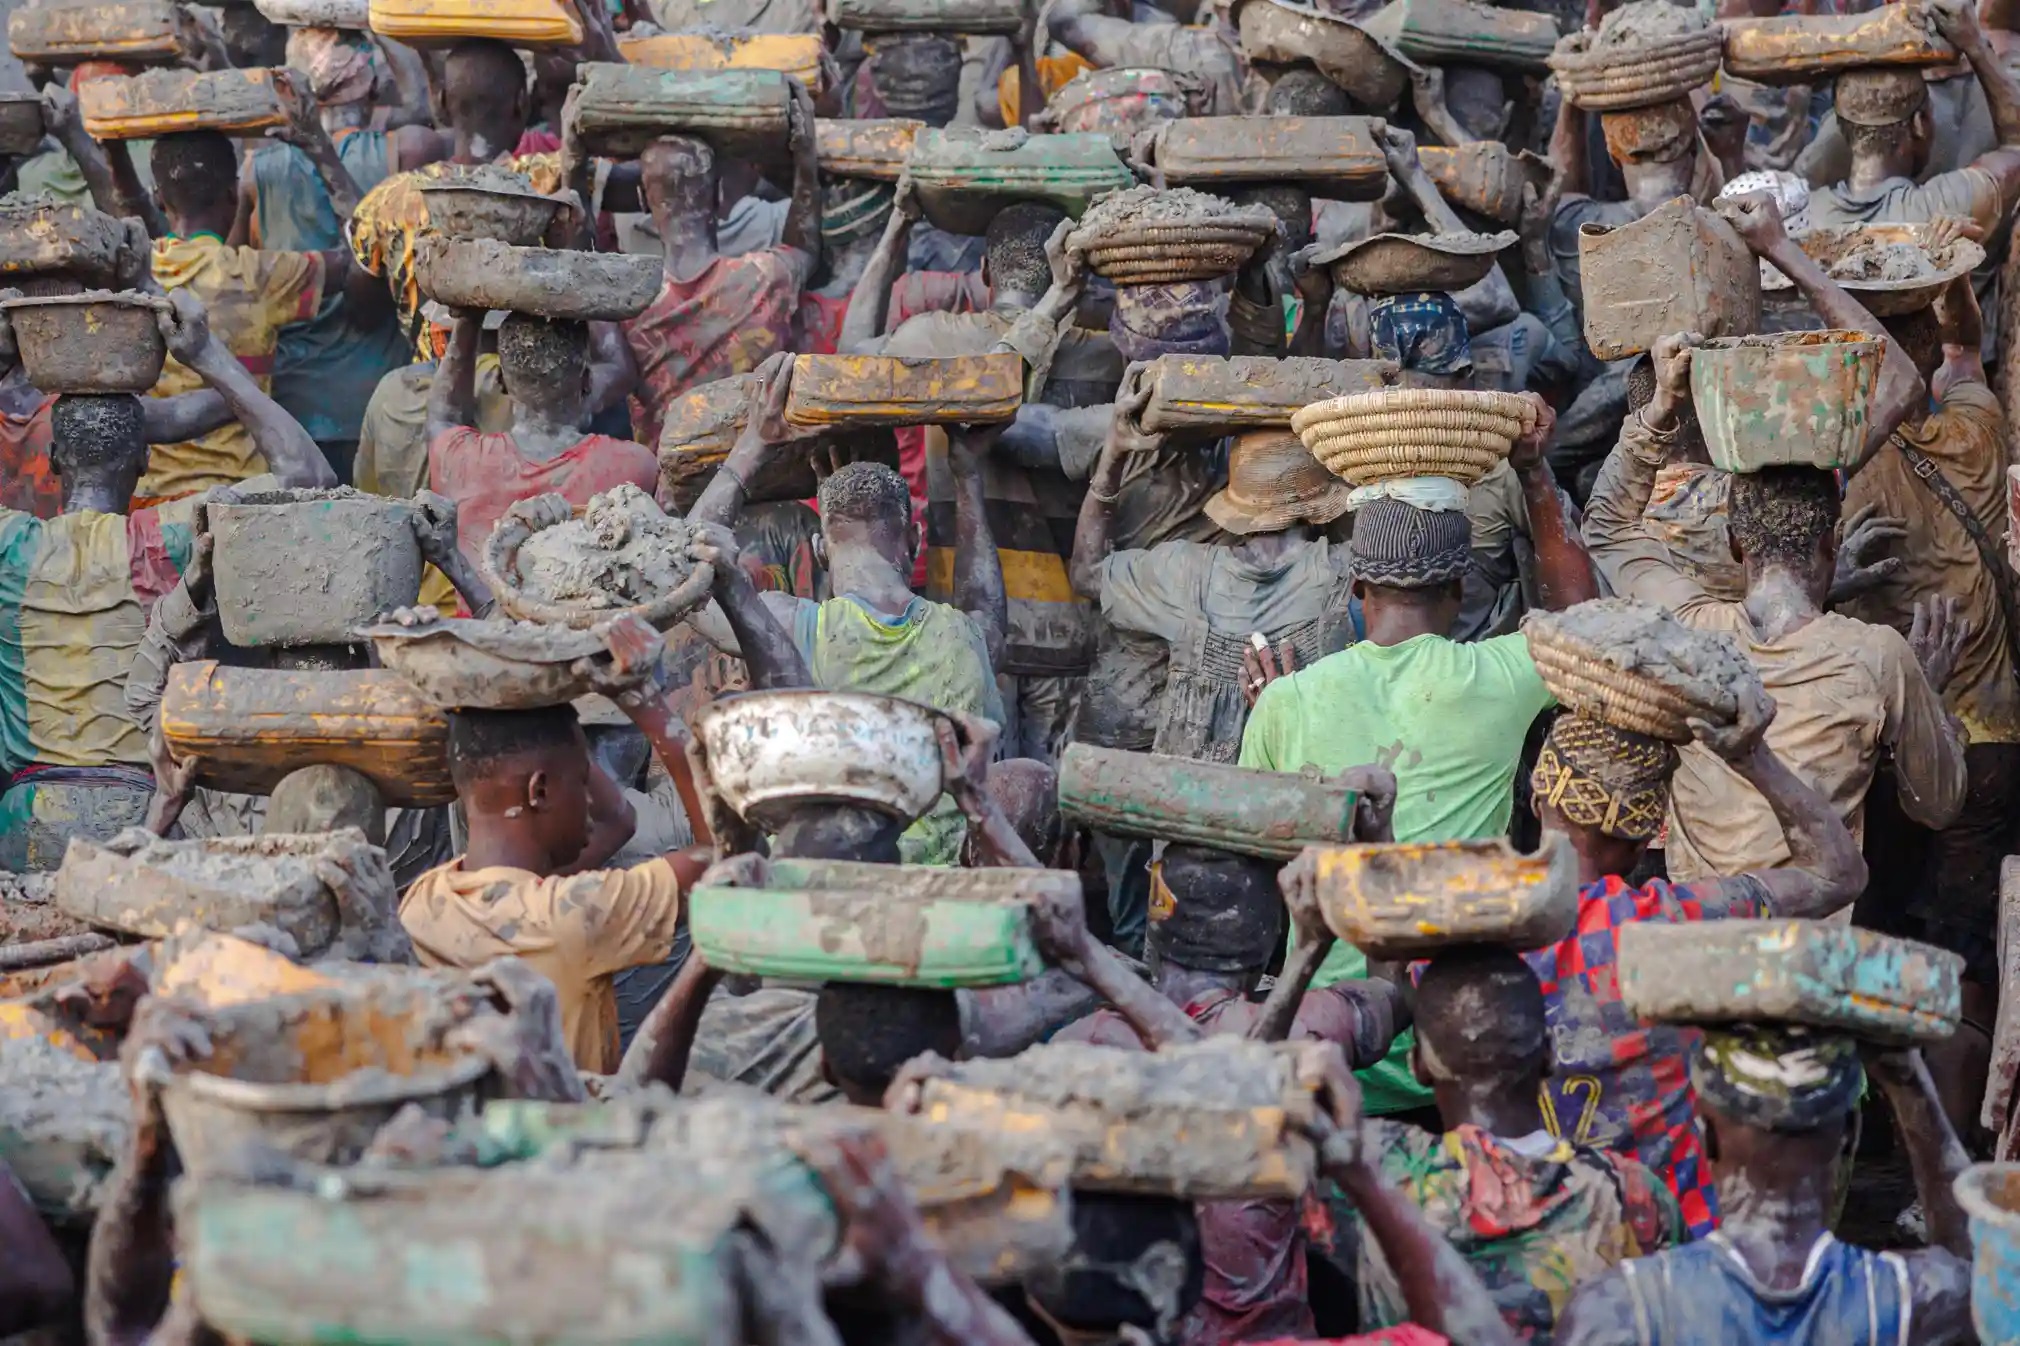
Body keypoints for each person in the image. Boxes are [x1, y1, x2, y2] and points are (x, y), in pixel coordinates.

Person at [1582, 199, 1967, 889]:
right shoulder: (1875, 654)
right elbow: (1902, 381)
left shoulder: (1688, 627)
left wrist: (1655, 413)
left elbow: (1605, 527)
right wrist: (1782, 249)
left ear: (1737, 543)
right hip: (1810, 947)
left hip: (1691, 929)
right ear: (1829, 541)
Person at [1236, 394, 1596, 1117]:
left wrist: (1279, 711)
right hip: (1457, 1052)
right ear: (1460, 591)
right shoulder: (1494, 679)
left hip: (1333, 1045)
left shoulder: (1288, 701)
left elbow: (1256, 871)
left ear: (1357, 587)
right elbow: (1585, 625)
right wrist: (1532, 476)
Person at [0, 290, 334, 870]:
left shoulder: (11, 546)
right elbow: (308, 474)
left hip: (24, 815)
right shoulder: (167, 539)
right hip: (148, 810)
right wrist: (209, 357)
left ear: (53, 460)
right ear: (144, 462)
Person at [1522, 688, 1871, 1235]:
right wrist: (1752, 757)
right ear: (1641, 844)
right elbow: (1838, 874)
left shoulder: (1470, 916)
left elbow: (1391, 985)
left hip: (1525, 1244)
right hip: (1665, 1251)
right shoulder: (1682, 922)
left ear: (1537, 796)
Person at [1054, 826, 1406, 1345]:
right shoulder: (1310, 1027)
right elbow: (1399, 988)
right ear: (1267, 941)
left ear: (1155, 930)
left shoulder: (1077, 1047)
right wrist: (1376, 847)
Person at [686, 356, 1007, 865]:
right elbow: (987, 601)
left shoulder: (793, 627)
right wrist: (966, 475)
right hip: (938, 886)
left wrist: (754, 444)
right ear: (915, 541)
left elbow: (685, 573)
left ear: (817, 550)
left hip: (825, 878)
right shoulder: (965, 636)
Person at [1837, 249, 2018, 1140]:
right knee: (1963, 951)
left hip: (1893, 737)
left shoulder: (1837, 463)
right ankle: (1949, 1155)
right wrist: (1944, 269)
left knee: (1875, 926)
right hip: (1989, 738)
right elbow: (1966, 354)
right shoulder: (1978, 433)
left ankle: (1869, 1127)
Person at [847, 196, 1123, 764]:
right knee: (1050, 816)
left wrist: (899, 223)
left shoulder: (933, 342)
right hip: (1067, 633)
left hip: (968, 629)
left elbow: (850, 353)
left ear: (984, 273)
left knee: (979, 808)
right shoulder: (1104, 359)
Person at [397, 614, 713, 1074]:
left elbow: (617, 821)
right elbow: (727, 855)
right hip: (574, 1138)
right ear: (539, 792)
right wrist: (642, 700)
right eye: (582, 781)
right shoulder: (577, 915)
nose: (593, 797)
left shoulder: (424, 902)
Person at [1348, 943, 1683, 1343]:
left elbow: (1260, 1090)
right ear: (1549, 1055)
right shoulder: (1633, 1195)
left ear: (1418, 1065)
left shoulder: (1374, 1181)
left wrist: (1310, 952)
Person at [1557, 1033, 1972, 1345]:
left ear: (1705, 1136)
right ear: (1850, 1133)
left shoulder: (1619, 1311)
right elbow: (1994, 1282)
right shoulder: (1918, 1299)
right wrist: (1909, 1085)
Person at [1072, 382, 1357, 767]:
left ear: (1235, 502)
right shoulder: (1347, 574)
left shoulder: (1184, 573)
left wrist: (1113, 456)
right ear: (1319, 505)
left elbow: (1087, 573)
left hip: (1188, 804)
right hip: (1294, 800)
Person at [127, 122, 370, 502]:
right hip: (240, 500)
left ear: (160, 199)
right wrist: (321, 151)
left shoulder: (134, 273)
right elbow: (363, 256)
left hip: (147, 497)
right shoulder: (260, 274)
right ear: (233, 195)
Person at [242, 26, 426, 482]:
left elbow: (237, 283)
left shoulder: (256, 173)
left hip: (292, 407)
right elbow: (424, 101)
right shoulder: (403, 153)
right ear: (374, 83)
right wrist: (379, 25)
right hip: (379, 404)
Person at [613, 103, 821, 452]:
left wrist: (573, 168)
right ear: (720, 193)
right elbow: (806, 246)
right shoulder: (765, 278)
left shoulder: (627, 302)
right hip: (756, 482)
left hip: (664, 493)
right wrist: (805, 161)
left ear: (642, 202)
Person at [424, 309, 659, 579]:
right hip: (587, 619)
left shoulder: (457, 459)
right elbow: (619, 366)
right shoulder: (633, 466)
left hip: (481, 620)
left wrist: (469, 318)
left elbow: (443, 413)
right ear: (586, 381)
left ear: (499, 380)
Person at [1799, 0, 2020, 238]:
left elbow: (1804, 179)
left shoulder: (1810, 211)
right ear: (1920, 123)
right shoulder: (1943, 206)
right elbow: (2015, 148)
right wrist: (1976, 47)